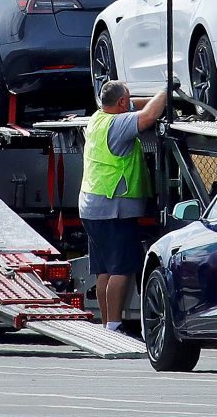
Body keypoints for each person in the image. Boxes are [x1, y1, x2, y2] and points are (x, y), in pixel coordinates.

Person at [81, 80, 165, 333]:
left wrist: (142, 100)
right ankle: (115, 325)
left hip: (92, 205)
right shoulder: (119, 125)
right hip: (114, 207)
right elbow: (149, 115)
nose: (129, 104)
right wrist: (166, 91)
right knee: (122, 268)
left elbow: (135, 105)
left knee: (104, 270)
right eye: (126, 101)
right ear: (120, 103)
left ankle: (108, 324)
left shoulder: (97, 118)